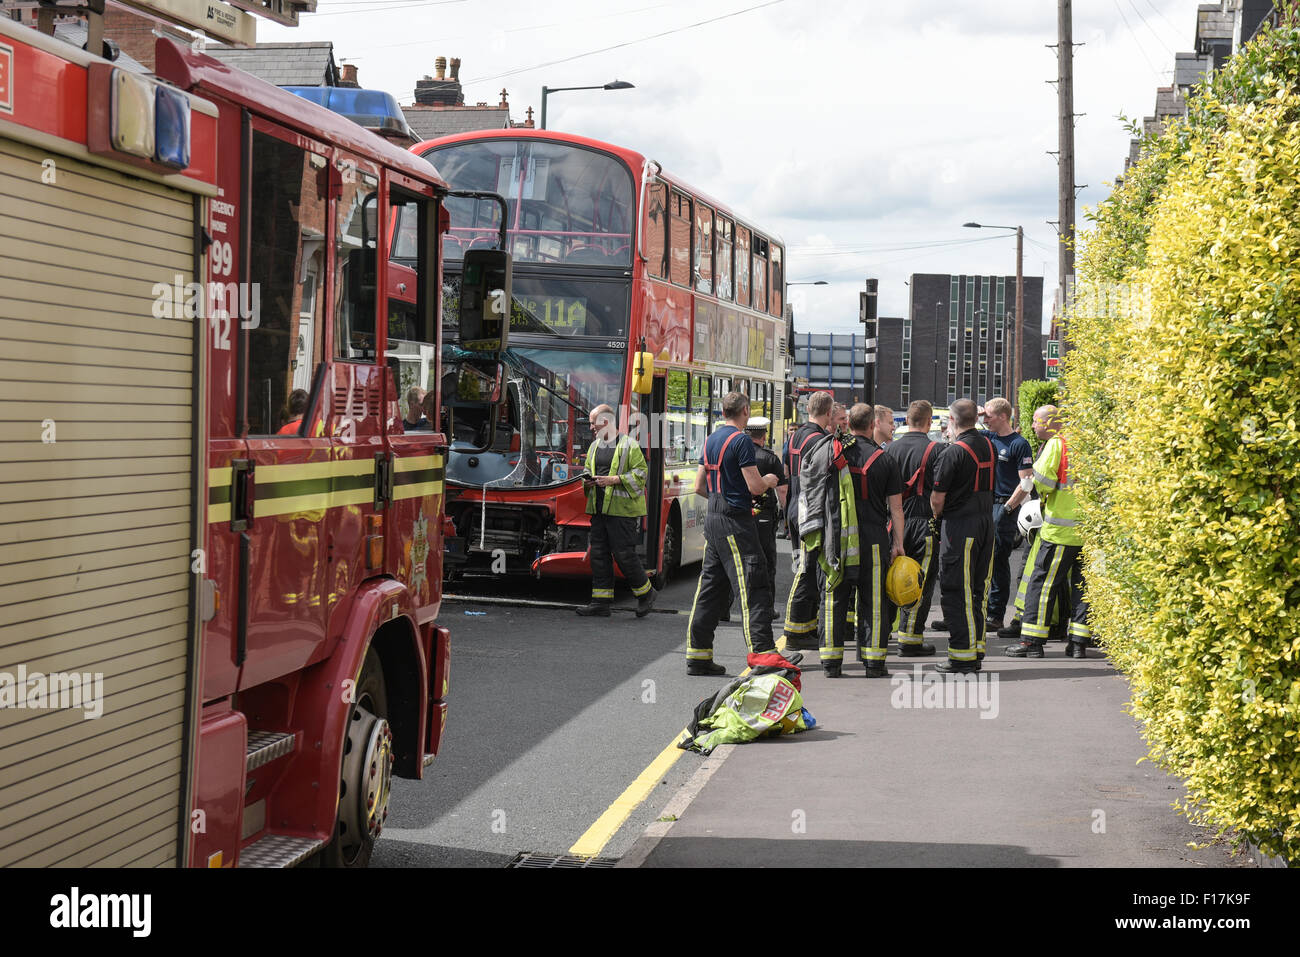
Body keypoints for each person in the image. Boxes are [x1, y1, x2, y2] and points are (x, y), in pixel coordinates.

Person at [685, 392, 782, 675]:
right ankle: (764, 654)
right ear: (744, 411)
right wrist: (769, 480)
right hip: (735, 522)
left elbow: (700, 485)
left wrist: (724, 497)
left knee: (711, 589)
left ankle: (698, 656)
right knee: (754, 584)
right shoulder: (740, 440)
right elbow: (755, 486)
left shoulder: (712, 439)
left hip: (714, 519)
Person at [821, 403, 905, 677]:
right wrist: (898, 544)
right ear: (871, 426)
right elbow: (896, 509)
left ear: (848, 425)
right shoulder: (885, 460)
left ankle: (831, 663)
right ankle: (874, 662)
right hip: (873, 538)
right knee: (874, 600)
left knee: (835, 596)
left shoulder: (833, 453)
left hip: (838, 536)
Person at [1002, 405, 1092, 658]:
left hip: (1059, 533)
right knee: (1083, 588)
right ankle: (1078, 644)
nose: (1032, 425)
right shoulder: (1091, 443)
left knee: (1042, 586)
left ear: (1051, 422)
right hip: (1089, 534)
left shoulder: (1058, 444)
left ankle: (1031, 642)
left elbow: (1040, 482)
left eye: (1035, 420)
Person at [930, 398, 995, 673]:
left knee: (957, 590)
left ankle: (962, 656)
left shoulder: (953, 452)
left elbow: (937, 498)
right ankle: (976, 648)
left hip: (960, 526)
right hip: (985, 523)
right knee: (978, 589)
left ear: (952, 421)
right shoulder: (988, 444)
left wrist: (936, 519)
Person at [576, 404, 657, 619]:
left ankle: (646, 593)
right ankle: (600, 603)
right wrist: (588, 480)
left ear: (605, 422)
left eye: (593, 422)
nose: (591, 426)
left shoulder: (629, 446)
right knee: (599, 555)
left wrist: (613, 480)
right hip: (599, 509)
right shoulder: (594, 446)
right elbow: (587, 469)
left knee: (624, 555)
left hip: (623, 512)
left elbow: (641, 475)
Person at [884, 400, 939, 657]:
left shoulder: (890, 449)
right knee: (920, 580)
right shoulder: (936, 450)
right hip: (922, 521)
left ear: (906, 420)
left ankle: (884, 632)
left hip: (894, 521)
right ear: (929, 422)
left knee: (890, 577)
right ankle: (910, 638)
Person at [781, 392, 834, 650]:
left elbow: (786, 473)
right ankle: (794, 631)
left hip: (794, 506)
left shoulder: (795, 436)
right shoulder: (820, 440)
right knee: (805, 570)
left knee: (804, 566)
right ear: (828, 413)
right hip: (807, 511)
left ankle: (806, 627)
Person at [981, 397, 1033, 630]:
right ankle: (981, 609)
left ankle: (995, 615)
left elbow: (1027, 482)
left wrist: (1008, 508)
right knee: (983, 560)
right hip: (985, 505)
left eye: (989, 416)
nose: (985, 420)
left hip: (1004, 506)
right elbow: (959, 427)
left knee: (999, 560)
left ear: (1003, 416)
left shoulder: (1019, 444)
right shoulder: (988, 438)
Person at [746, 417, 786, 619]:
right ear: (764, 436)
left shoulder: (738, 454)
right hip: (764, 515)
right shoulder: (770, 458)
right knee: (766, 561)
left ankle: (724, 608)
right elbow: (783, 490)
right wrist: (786, 517)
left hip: (740, 512)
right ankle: (767, 609)